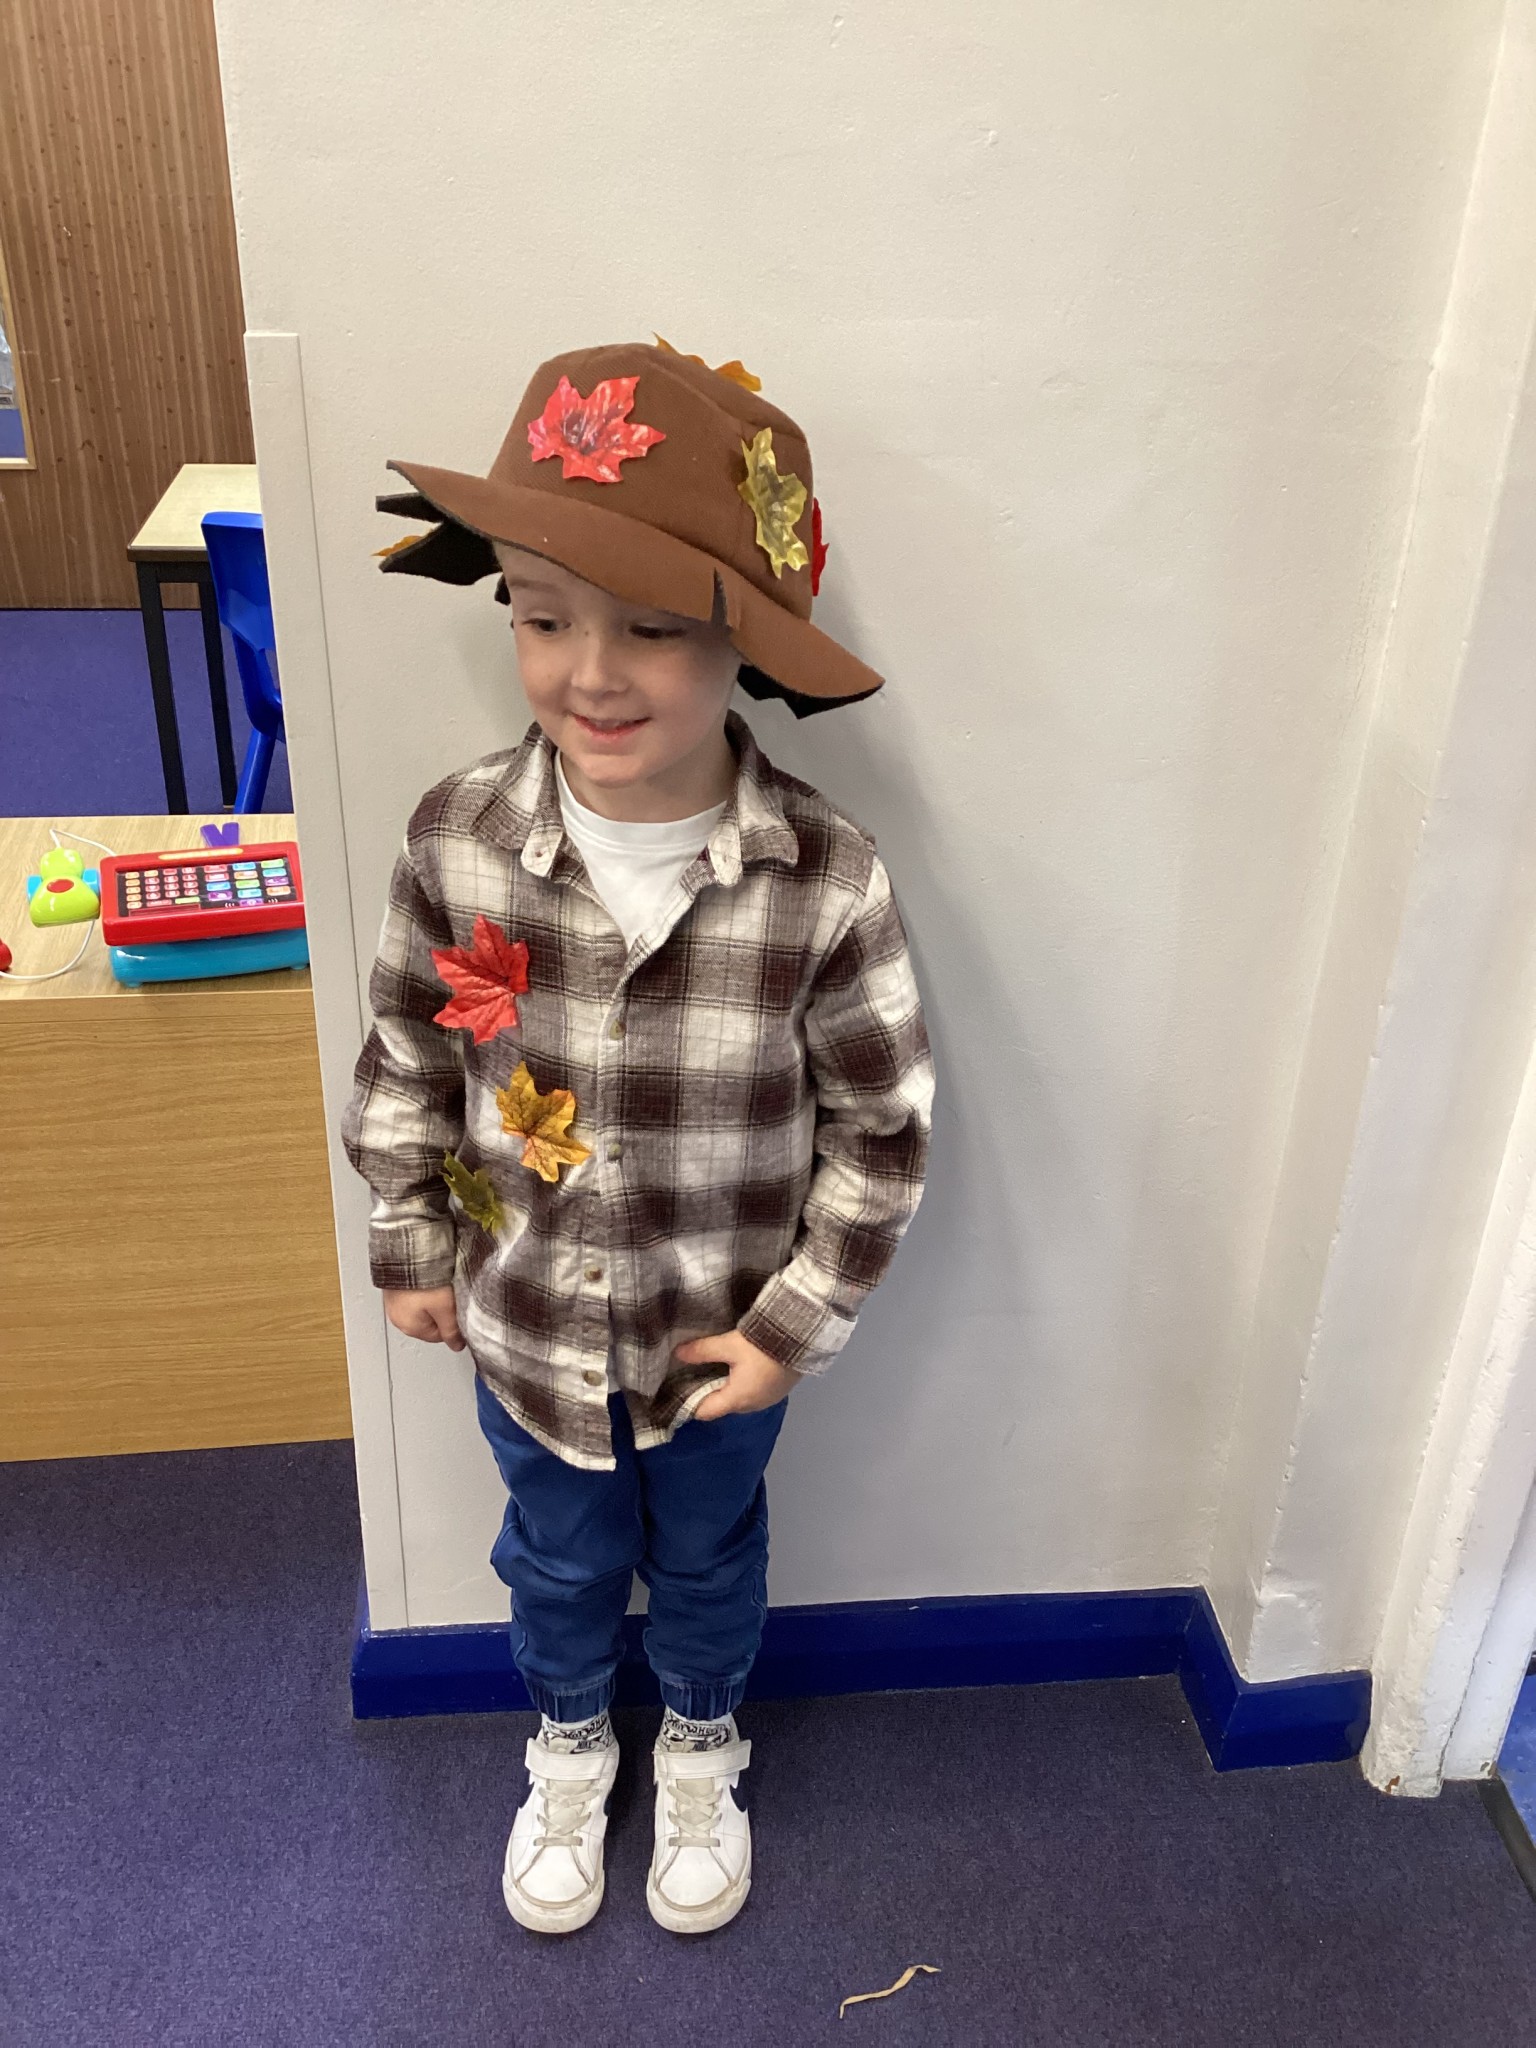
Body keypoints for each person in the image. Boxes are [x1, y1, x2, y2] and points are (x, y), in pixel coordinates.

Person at [341, 340, 933, 1935]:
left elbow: (881, 1131)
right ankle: (568, 1738)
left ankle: (699, 1742)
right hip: (524, 1322)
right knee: (554, 1560)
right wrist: (411, 1239)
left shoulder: (823, 877)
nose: (591, 672)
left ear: (743, 642)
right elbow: (404, 1049)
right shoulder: (457, 839)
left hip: (719, 1346)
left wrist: (793, 1329)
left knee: (713, 1562)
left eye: (655, 631)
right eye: (541, 616)